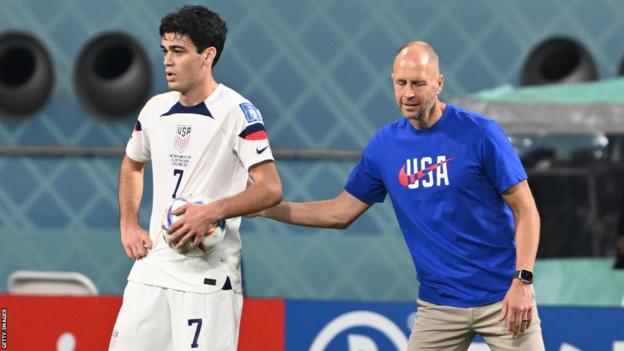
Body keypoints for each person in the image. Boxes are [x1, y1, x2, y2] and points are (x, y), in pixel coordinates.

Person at [258, 41, 544, 350]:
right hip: (439, 306)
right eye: (401, 83)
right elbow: (338, 214)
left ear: (439, 83)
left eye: (418, 84)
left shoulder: (481, 134)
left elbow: (526, 210)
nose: (408, 93)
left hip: (503, 298)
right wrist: (263, 207)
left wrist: (522, 282)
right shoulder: (384, 145)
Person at [109, 5, 282, 351]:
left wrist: (213, 211)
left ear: (208, 55)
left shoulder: (239, 113)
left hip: (208, 277)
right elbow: (132, 164)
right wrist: (129, 223)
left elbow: (270, 188)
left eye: (178, 51)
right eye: (164, 51)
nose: (167, 62)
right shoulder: (154, 109)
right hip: (152, 269)